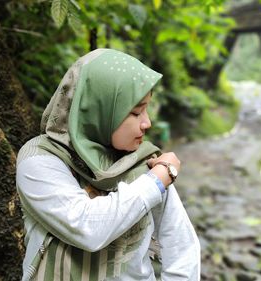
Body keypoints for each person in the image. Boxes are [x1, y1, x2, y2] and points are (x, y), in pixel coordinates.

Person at [16, 48, 200, 281]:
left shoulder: (144, 161)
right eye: (135, 113)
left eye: (146, 110)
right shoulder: (40, 160)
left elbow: (181, 246)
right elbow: (86, 228)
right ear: (98, 110)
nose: (147, 123)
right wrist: (156, 181)